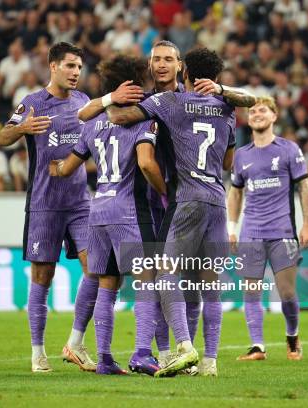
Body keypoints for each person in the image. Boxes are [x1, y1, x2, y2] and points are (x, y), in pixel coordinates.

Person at [78, 41, 255, 370]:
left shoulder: (165, 102)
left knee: (163, 277)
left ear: (181, 68)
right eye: (156, 59)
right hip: (205, 197)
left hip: (175, 199)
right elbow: (232, 152)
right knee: (202, 284)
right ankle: (201, 360)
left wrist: (109, 100)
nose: (161, 64)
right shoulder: (225, 106)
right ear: (149, 64)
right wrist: (222, 90)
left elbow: (107, 118)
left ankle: (177, 349)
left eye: (169, 59)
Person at [50, 55, 166, 376]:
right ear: (131, 84)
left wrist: (53, 167)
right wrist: (165, 191)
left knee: (107, 284)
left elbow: (68, 167)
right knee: (147, 281)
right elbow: (145, 162)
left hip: (97, 209)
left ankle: (104, 359)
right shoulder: (141, 119)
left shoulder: (93, 123)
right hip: (129, 210)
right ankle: (143, 352)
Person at [0, 42, 95, 373]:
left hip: (81, 203)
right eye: (70, 66)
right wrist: (21, 128)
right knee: (43, 275)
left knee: (95, 269)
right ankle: (38, 352)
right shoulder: (32, 103)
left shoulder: (83, 102)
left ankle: (76, 342)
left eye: (79, 67)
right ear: (53, 66)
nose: (76, 72)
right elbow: (1, 137)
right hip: (45, 204)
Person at [228, 96, 308, 362]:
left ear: (274, 116)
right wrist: (232, 227)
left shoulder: (289, 149)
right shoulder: (241, 155)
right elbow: (235, 194)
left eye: (262, 110)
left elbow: (304, 187)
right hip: (251, 231)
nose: (256, 114)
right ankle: (257, 347)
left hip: (282, 231)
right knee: (250, 290)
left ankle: (292, 336)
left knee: (286, 292)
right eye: (252, 111)